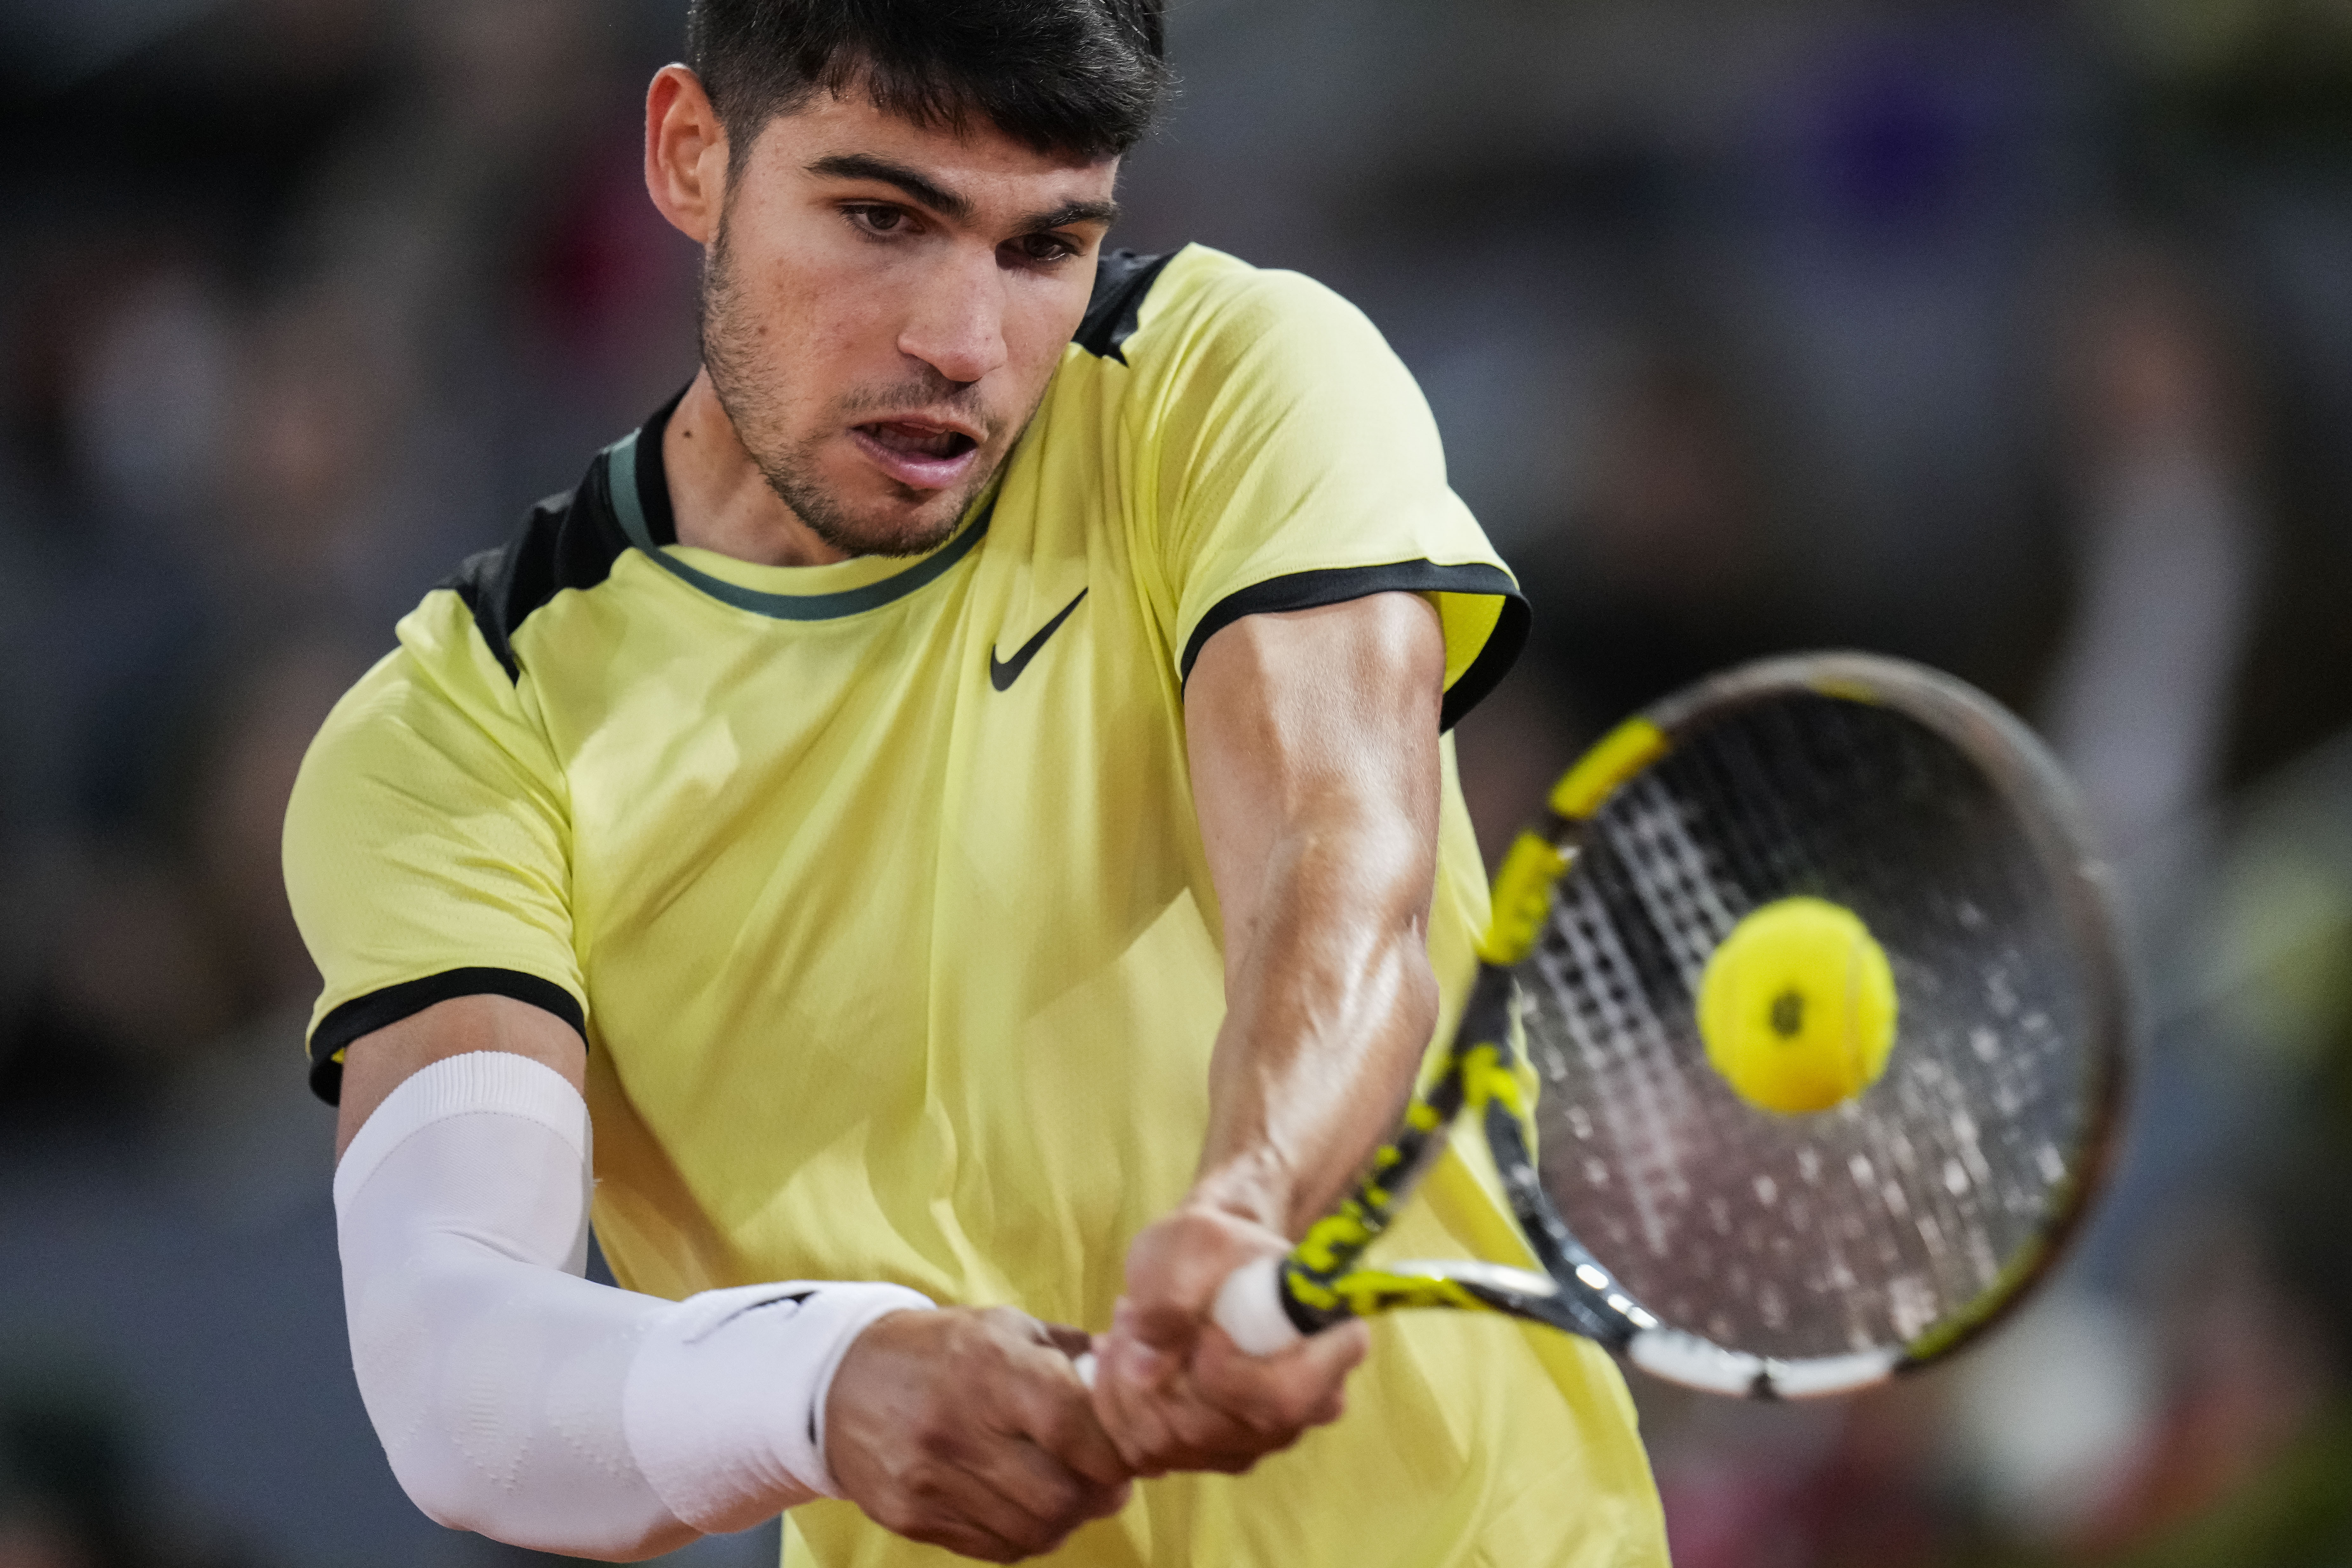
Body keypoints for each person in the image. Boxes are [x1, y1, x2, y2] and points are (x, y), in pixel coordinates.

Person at [281, 3, 1667, 1563]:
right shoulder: (467, 731)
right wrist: (824, 1383)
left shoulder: (1225, 380)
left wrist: (1251, 1204)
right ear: (689, 155)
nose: (964, 342)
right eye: (882, 218)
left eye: (1044, 246)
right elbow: (457, 1373)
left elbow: (1335, 867)